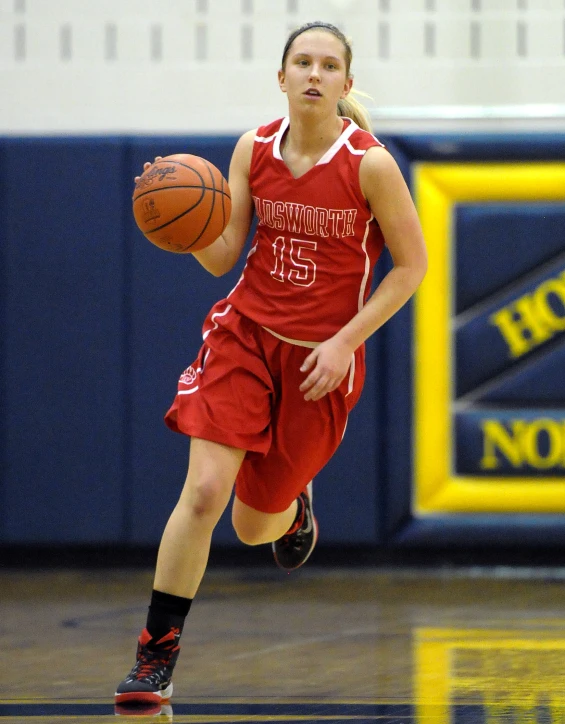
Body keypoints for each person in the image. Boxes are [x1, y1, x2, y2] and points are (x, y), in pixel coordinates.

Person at [115, 20, 427, 706]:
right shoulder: (252, 148)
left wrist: (346, 340)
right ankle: (154, 656)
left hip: (321, 360)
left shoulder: (369, 163)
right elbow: (224, 255)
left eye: (327, 66)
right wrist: (181, 225)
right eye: (301, 63)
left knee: (253, 525)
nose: (313, 75)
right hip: (244, 335)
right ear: (280, 77)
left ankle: (294, 510)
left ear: (344, 84)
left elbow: (411, 268)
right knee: (202, 493)